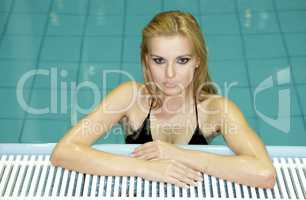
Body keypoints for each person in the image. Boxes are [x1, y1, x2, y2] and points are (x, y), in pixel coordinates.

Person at [50, 10, 276, 189]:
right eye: (159, 60)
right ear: (146, 60)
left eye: (182, 60)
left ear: (198, 60)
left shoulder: (217, 110)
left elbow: (264, 174)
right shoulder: (130, 98)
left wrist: (177, 154)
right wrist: (148, 169)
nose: (169, 75)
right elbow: (64, 152)